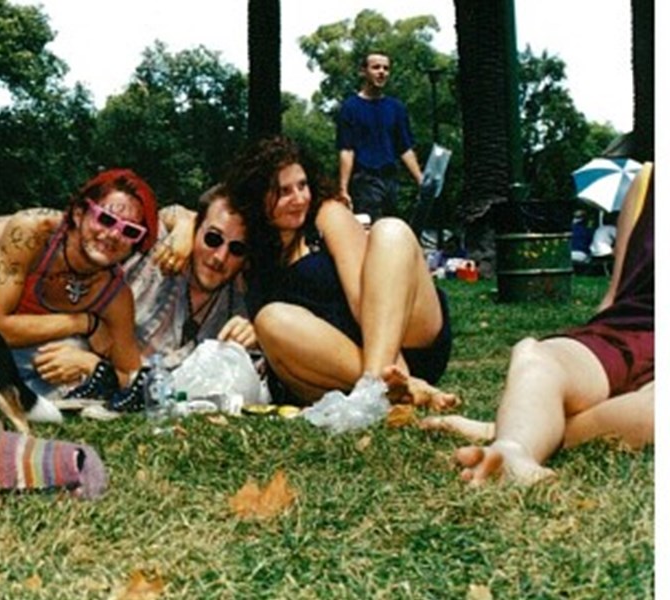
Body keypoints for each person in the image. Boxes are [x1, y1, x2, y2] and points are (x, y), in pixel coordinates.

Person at [425, 164, 654, 486]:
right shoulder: (647, 180)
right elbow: (617, 292)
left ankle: (513, 428)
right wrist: (587, 347)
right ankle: (513, 449)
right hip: (627, 329)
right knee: (536, 356)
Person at [0, 184, 257, 411]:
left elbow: (136, 376)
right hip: (17, 330)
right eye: (213, 239)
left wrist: (95, 367)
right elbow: (44, 225)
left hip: (103, 370)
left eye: (237, 249)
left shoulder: (235, 306)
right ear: (195, 230)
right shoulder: (149, 245)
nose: (220, 257)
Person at [224, 135, 456, 409]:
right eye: (284, 192)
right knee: (270, 320)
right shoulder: (254, 254)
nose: (299, 199)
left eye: (302, 185)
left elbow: (365, 302)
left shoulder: (326, 214)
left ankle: (382, 384)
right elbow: (199, 215)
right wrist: (180, 225)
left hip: (401, 341)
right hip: (334, 366)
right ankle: (395, 390)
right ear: (257, 197)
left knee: (391, 232)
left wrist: (391, 369)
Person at [0, 170, 159, 409]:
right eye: (106, 219)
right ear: (78, 213)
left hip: (12, 360)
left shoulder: (115, 296)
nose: (114, 234)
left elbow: (133, 378)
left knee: (72, 353)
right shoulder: (33, 233)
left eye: (130, 231)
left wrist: (93, 365)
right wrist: (82, 323)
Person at [336, 51, 424, 221]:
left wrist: (420, 180)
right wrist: (343, 189)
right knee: (371, 228)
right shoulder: (350, 107)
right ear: (363, 71)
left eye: (386, 68)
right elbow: (346, 150)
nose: (382, 72)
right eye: (376, 67)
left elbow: (405, 148)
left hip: (390, 179)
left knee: (391, 228)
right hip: (364, 179)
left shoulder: (396, 108)